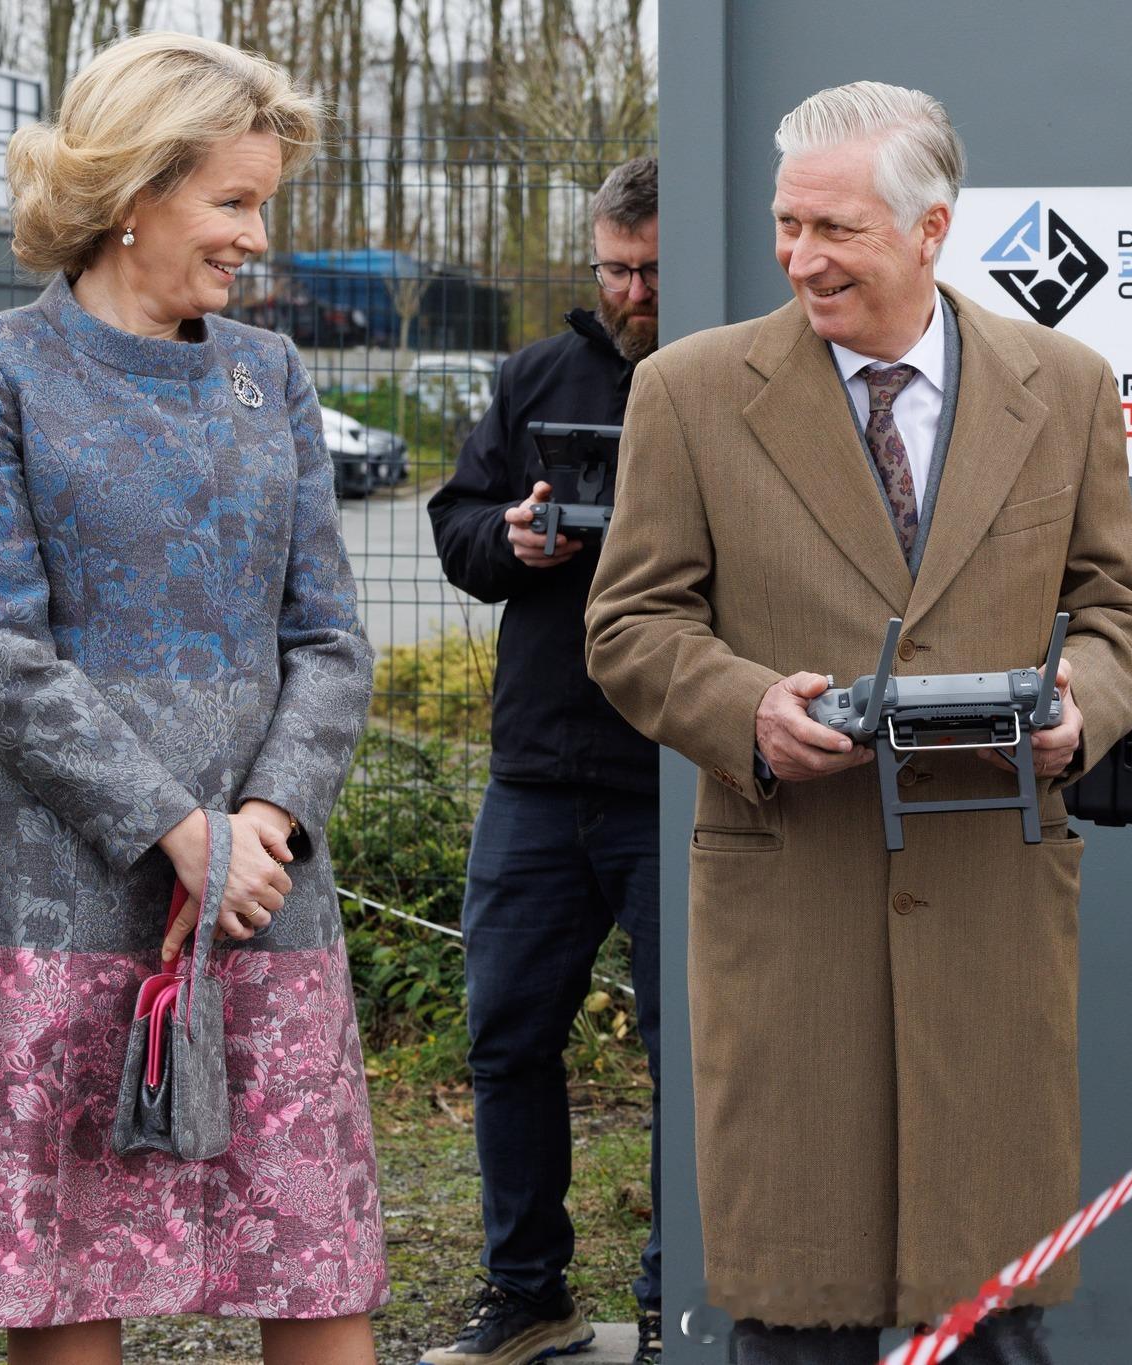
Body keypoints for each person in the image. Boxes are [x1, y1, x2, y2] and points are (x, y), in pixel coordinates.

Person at [585, 81, 1132, 1365]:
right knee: (798, 1313)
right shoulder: (687, 393)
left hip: (990, 905)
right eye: (787, 225)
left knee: (993, 1314)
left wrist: (1084, 707)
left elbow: (1115, 611)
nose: (800, 258)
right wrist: (747, 711)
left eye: (834, 229)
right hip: (795, 906)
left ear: (929, 228)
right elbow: (628, 625)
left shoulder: (1065, 387)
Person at [0, 31, 384, 1365]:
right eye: (233, 200)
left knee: (310, 1254)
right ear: (133, 193)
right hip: (51, 888)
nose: (256, 237)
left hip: (265, 887)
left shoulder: (271, 375)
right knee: (65, 1272)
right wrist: (180, 833)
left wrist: (264, 821)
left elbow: (330, 638)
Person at [424, 155, 664, 1365]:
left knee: (693, 1053)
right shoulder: (535, 376)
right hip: (536, 774)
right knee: (507, 1038)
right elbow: (455, 525)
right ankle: (529, 1293)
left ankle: (679, 1301)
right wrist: (512, 538)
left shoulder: (743, 377)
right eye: (613, 270)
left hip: (680, 777)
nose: (629, 294)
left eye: (653, 272)